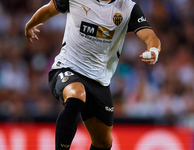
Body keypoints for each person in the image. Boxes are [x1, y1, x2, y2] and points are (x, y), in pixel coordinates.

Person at [25, 0, 161, 149]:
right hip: (67, 68)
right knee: (76, 94)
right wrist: (30, 24)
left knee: (103, 142)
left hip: (99, 81)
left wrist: (153, 50)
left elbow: (150, 36)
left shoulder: (128, 8)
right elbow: (50, 9)